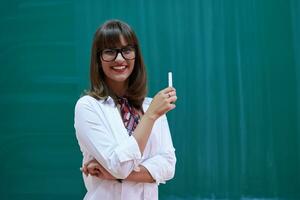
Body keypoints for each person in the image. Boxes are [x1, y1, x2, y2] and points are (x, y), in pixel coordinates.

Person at [74, 19, 177, 200]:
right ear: (98, 59)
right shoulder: (88, 106)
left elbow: (168, 166)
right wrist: (151, 116)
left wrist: (113, 173)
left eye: (127, 50)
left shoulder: (150, 105)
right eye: (109, 52)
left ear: (135, 55)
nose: (120, 59)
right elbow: (120, 166)